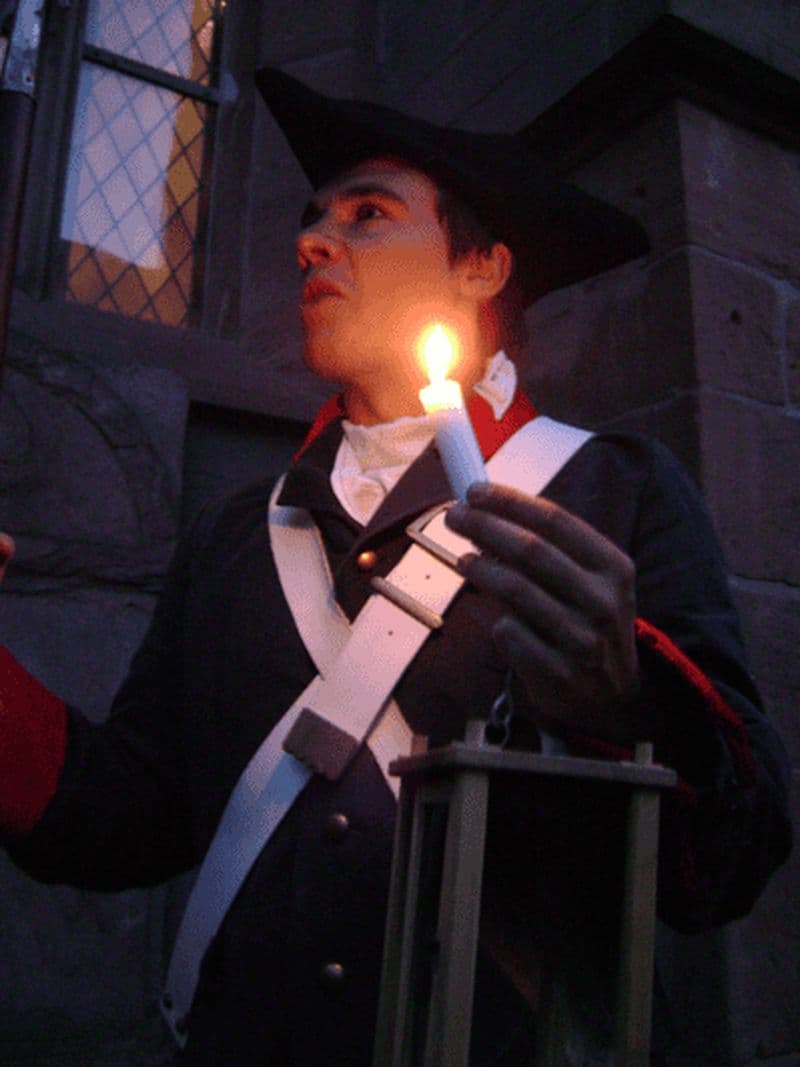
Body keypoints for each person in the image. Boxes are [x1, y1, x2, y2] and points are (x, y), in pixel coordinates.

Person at [0, 68, 791, 1066]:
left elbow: (736, 854)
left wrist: (627, 701)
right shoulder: (240, 529)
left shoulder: (614, 488)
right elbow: (124, 812)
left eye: (368, 212)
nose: (310, 240)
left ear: (483, 267)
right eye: (312, 218)